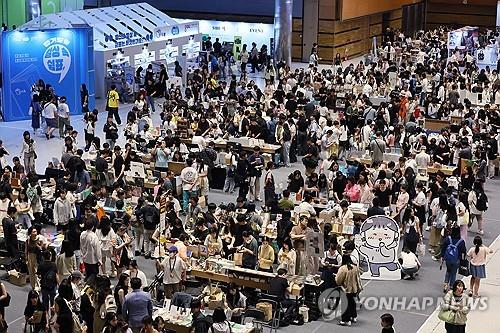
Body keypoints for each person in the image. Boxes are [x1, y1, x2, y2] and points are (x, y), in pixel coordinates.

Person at [335, 254, 362, 326]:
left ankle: (346, 320)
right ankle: (353, 316)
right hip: (354, 288)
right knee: (352, 302)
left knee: (345, 304)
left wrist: (335, 277)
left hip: (345, 289)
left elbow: (338, 280)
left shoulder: (342, 268)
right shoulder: (355, 267)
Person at [441, 227, 466, 293]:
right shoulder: (461, 241)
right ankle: (452, 286)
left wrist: (442, 256)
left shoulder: (448, 239)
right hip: (456, 259)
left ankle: (445, 284)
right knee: (453, 272)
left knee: (448, 270)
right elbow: (464, 251)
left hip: (448, 259)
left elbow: (443, 248)